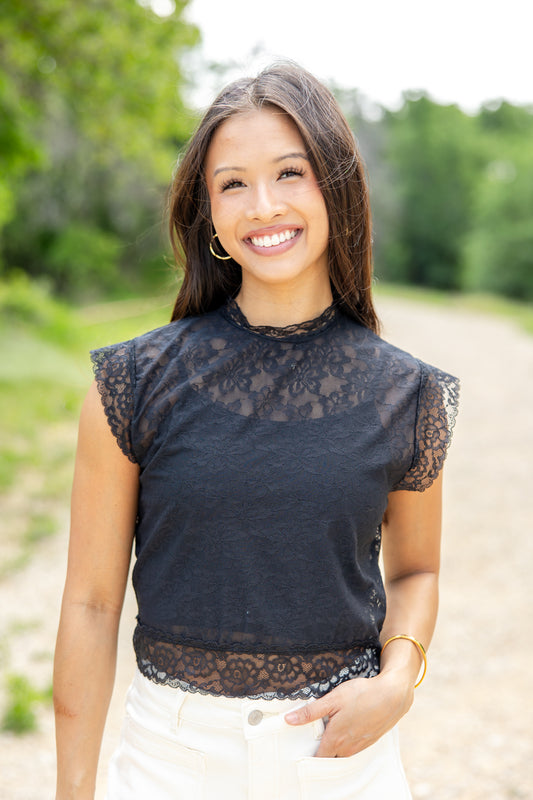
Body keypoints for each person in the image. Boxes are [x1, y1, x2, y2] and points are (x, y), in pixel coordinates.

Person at [53, 61, 459, 800]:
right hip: (166, 765)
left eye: (290, 173)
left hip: (342, 764)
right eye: (232, 184)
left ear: (333, 186)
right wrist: (71, 791)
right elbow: (90, 604)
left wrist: (399, 679)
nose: (263, 205)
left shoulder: (407, 392)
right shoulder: (133, 382)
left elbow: (415, 571)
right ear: (207, 214)